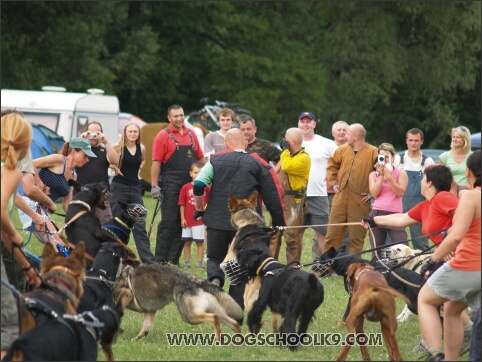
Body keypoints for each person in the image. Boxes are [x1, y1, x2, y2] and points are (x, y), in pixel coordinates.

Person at [362, 164, 474, 356]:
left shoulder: (444, 197)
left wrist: (449, 240)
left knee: (433, 298)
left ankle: (451, 341)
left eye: (423, 179)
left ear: (429, 183)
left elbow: (463, 215)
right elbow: (403, 219)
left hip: (460, 256)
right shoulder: (426, 205)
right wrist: (375, 220)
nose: (420, 182)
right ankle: (459, 337)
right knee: (444, 300)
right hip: (445, 256)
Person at [193, 129, 285, 308]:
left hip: (216, 221)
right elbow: (274, 195)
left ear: (226, 144)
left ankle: (215, 280)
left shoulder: (215, 159)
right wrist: (279, 223)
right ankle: (236, 304)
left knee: (214, 257)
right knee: (244, 263)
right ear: (245, 142)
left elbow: (198, 184)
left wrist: (199, 208)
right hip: (247, 226)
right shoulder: (258, 162)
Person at [417, 150, 480, 361]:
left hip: (470, 264)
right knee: (452, 308)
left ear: (469, 172)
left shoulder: (471, 197)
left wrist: (431, 260)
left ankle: (435, 354)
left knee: (425, 299)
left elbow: (455, 237)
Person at [1, 112, 42, 359]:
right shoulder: (11, 170)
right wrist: (14, 231)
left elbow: (7, 240)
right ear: (26, 143)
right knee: (7, 322)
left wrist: (28, 269)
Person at [18, 137, 96, 251]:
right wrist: (40, 184)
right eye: (85, 155)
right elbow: (30, 164)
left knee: (61, 246)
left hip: (44, 210)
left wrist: (81, 218)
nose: (87, 159)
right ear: (74, 152)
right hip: (30, 204)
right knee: (59, 246)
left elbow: (66, 204)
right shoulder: (59, 160)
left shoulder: (74, 175)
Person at [151, 105, 205, 265]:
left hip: (189, 183)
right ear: (169, 118)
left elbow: (200, 158)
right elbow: (156, 163)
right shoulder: (162, 136)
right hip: (171, 182)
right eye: (175, 116)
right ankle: (160, 258)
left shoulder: (191, 134)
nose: (179, 119)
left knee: (185, 221)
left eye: (181, 115)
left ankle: (173, 259)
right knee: (169, 221)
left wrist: (212, 172)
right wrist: (154, 186)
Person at [324, 123, 377, 254]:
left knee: (356, 238)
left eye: (348, 134)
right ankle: (327, 266)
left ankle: (354, 268)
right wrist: (334, 182)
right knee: (332, 234)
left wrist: (372, 193)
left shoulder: (373, 152)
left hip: (361, 201)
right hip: (340, 198)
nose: (344, 136)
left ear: (356, 136)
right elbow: (331, 164)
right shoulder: (342, 149)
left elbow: (382, 174)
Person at [109, 122, 156, 265]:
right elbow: (107, 161)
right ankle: (114, 255)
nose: (133, 134)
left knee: (139, 223)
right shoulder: (117, 148)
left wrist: (138, 170)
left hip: (135, 188)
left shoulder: (141, 148)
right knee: (117, 223)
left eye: (135, 132)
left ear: (138, 134)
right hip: (118, 188)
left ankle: (149, 261)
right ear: (125, 133)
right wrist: (114, 168)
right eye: (130, 131)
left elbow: (143, 160)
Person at [297, 112, 337, 260]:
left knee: (323, 232)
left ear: (314, 124)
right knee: (296, 234)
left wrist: (333, 179)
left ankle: (326, 265)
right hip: (297, 195)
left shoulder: (326, 143)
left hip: (319, 194)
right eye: (302, 122)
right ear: (298, 124)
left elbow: (340, 162)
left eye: (308, 122)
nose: (305, 124)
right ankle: (294, 265)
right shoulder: (292, 142)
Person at [269, 127, 311, 263]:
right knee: (273, 235)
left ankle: (293, 267)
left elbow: (286, 166)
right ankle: (270, 265)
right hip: (279, 199)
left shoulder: (303, 158)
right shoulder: (285, 156)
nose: (283, 140)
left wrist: (285, 151)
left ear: (292, 141)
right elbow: (275, 173)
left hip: (293, 201)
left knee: (292, 237)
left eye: (286, 138)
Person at [397, 128, 435, 251]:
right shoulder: (398, 159)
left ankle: (424, 268)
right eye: (411, 140)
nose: (413, 143)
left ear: (422, 142)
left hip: (420, 205)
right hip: (399, 204)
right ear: (406, 141)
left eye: (416, 140)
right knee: (396, 242)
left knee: (420, 242)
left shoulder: (428, 161)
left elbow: (433, 185)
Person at [368, 143, 408, 258]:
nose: (384, 160)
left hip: (395, 214)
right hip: (377, 212)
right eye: (381, 157)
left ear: (393, 157)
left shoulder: (400, 173)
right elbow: (374, 194)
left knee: (402, 248)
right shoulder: (373, 174)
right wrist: (381, 176)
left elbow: (400, 192)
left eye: (386, 157)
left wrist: (389, 176)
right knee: (377, 251)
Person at [76, 121, 119, 224]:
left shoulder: (104, 150)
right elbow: (70, 155)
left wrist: (106, 142)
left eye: (97, 133)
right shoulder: (80, 149)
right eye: (90, 133)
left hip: (101, 195)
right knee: (82, 225)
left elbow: (114, 160)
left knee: (105, 225)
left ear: (101, 134)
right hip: (82, 193)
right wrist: (81, 139)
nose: (93, 136)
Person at [179, 161, 210, 269]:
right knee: (186, 242)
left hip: (199, 221)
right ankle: (187, 263)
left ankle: (200, 264)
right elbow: (182, 204)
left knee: (199, 242)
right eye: (195, 172)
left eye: (200, 173)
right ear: (191, 173)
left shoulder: (207, 188)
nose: (197, 175)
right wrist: (182, 218)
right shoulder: (185, 188)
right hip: (187, 220)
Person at [325, 121, 350, 251]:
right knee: (329, 228)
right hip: (329, 193)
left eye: (344, 130)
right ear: (333, 133)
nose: (342, 132)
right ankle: (322, 260)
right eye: (339, 130)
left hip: (349, 193)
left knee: (346, 229)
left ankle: (344, 259)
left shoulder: (354, 149)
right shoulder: (326, 147)